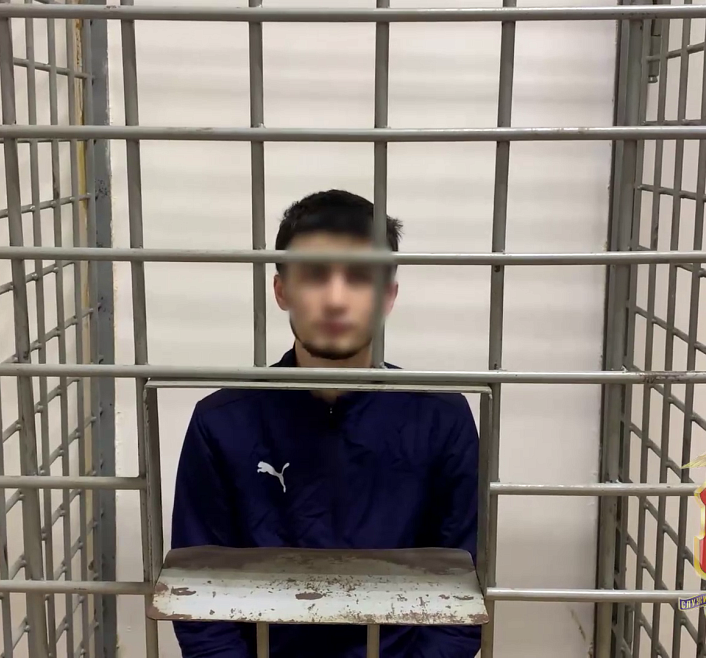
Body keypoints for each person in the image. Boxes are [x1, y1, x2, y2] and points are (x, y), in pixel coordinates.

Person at [169, 189, 482, 658]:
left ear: (388, 296)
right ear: (281, 291)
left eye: (359, 277)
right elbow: (198, 603)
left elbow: (463, 602)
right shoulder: (222, 421)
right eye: (315, 275)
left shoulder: (441, 418)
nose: (336, 300)